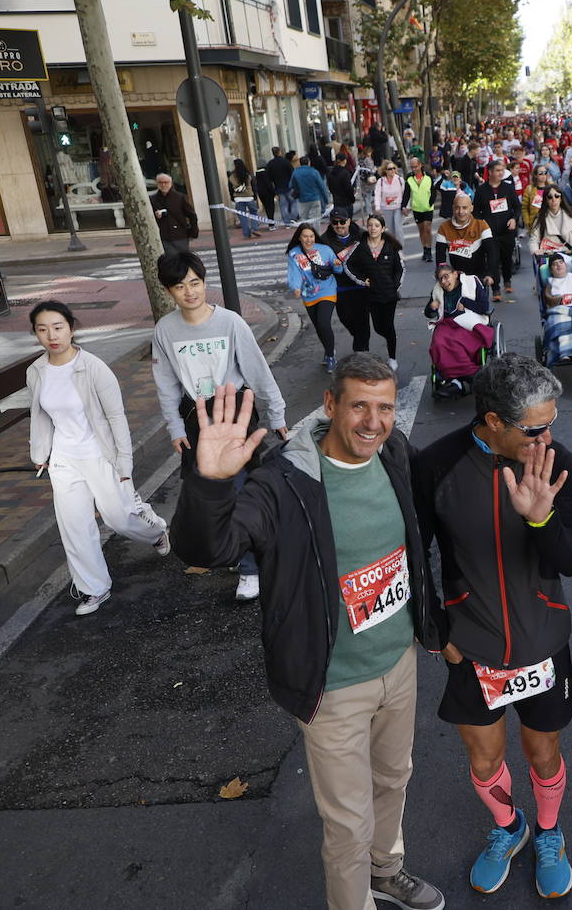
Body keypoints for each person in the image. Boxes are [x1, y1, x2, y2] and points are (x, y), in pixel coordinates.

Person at [171, 356, 445, 910]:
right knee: (347, 823)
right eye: (359, 406)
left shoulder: (393, 453)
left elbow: (425, 531)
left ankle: (386, 871)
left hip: (398, 663)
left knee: (394, 780)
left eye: (385, 406)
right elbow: (207, 550)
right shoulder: (284, 483)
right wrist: (210, 484)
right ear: (330, 405)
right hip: (333, 681)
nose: (374, 421)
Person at [412, 354, 572, 900]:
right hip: (473, 647)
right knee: (485, 759)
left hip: (542, 644)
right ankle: (510, 828)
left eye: (551, 422)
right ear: (492, 421)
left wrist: (540, 518)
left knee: (543, 754)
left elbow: (571, 559)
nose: (548, 436)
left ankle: (550, 833)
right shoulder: (437, 465)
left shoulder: (559, 464)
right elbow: (418, 556)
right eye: (535, 428)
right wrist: (440, 634)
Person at [151, 252, 287, 602]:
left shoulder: (230, 323)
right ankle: (238, 550)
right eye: (180, 286)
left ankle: (250, 568)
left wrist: (277, 415)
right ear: (169, 291)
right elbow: (165, 383)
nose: (190, 292)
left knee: (239, 487)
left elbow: (258, 371)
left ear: (204, 282)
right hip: (196, 417)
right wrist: (174, 428)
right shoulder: (165, 330)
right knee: (211, 490)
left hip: (235, 411)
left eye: (195, 283)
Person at [27, 301, 170, 616]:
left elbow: (117, 418)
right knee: (74, 526)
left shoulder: (93, 368)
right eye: (42, 329)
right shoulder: (36, 371)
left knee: (118, 517)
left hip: (99, 454)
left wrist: (124, 465)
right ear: (36, 333)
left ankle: (155, 531)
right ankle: (94, 588)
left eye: (58, 327)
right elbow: (40, 416)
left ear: (71, 328)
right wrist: (41, 454)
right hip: (64, 459)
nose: (51, 335)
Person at [344, 214, 405, 371]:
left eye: (377, 225)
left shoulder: (391, 247)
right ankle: (389, 339)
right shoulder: (360, 246)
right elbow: (348, 265)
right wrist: (362, 280)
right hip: (371, 296)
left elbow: (400, 268)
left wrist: (395, 286)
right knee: (378, 327)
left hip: (389, 295)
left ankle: (393, 358)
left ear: (383, 228)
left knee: (389, 326)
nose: (373, 228)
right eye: (370, 225)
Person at [427, 264, 495, 398]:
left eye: (446, 277)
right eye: (440, 279)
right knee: (439, 342)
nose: (444, 282)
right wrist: (431, 308)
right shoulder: (437, 290)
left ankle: (462, 378)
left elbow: (484, 307)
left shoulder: (472, 281)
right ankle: (459, 380)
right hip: (447, 324)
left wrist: (466, 302)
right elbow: (428, 314)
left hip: (468, 322)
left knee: (457, 341)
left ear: (455, 274)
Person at [287, 223, 346, 371]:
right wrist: (295, 287)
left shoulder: (325, 250)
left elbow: (337, 269)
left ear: (315, 237)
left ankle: (331, 356)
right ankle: (327, 351)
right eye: (305, 236)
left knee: (324, 323)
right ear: (299, 238)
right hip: (308, 295)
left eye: (311, 236)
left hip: (327, 290)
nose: (309, 240)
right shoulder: (294, 254)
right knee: (319, 327)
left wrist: (338, 265)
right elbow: (294, 273)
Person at [474, 160, 522, 302]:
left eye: (502, 170)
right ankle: (496, 290)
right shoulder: (481, 190)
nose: (501, 173)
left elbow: (517, 208)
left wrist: (514, 219)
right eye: (498, 170)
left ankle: (507, 280)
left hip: (507, 230)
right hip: (489, 232)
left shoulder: (508, 188)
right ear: (490, 172)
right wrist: (481, 223)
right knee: (493, 260)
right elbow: (476, 212)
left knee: (506, 258)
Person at [436, 193, 497, 287]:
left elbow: (491, 252)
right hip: (456, 278)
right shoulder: (444, 228)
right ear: (453, 208)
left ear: (471, 208)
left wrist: (490, 274)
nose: (461, 211)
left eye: (464, 208)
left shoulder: (481, 225)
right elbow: (440, 257)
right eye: (457, 208)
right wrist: (443, 276)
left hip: (479, 275)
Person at [530, 184, 572, 257]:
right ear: (546, 200)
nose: (553, 199)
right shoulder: (540, 218)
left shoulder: (571, 214)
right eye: (549, 197)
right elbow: (534, 239)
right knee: (545, 268)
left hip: (570, 256)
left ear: (561, 199)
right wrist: (535, 250)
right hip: (549, 258)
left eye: (557, 196)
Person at [151, 173, 198, 257]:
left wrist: (194, 231)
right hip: (164, 236)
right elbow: (150, 218)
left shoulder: (180, 197)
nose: (163, 185)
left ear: (171, 183)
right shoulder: (153, 199)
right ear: (157, 184)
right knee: (171, 261)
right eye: (160, 182)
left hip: (180, 235)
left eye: (166, 182)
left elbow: (192, 215)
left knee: (184, 260)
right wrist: (156, 216)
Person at [406, 157, 436, 262]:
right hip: (416, 208)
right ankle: (424, 248)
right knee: (421, 230)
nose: (414, 169)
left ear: (420, 165)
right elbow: (406, 193)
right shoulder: (409, 178)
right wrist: (403, 206)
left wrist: (431, 202)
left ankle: (429, 250)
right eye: (412, 167)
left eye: (415, 166)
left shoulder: (429, 176)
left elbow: (433, 190)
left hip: (428, 207)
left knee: (427, 228)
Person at [373, 161, 408, 248]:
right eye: (390, 169)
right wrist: (377, 207)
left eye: (394, 168)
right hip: (386, 208)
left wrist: (406, 207)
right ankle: (394, 251)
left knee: (398, 229)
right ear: (385, 170)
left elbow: (406, 194)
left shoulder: (399, 180)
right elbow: (377, 194)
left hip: (398, 207)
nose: (392, 170)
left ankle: (400, 251)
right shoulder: (381, 181)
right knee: (391, 231)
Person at [292, 156, 330, 223]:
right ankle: (316, 233)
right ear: (309, 163)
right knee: (316, 220)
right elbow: (322, 187)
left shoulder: (295, 172)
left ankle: (305, 232)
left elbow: (291, 185)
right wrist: (326, 199)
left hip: (302, 199)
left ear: (300, 163)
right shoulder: (314, 172)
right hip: (314, 198)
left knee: (303, 220)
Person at [267, 146, 298, 226]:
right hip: (288, 186)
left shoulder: (270, 164)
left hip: (279, 188)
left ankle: (287, 222)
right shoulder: (286, 162)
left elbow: (269, 178)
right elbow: (292, 173)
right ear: (279, 152)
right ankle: (293, 218)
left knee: (283, 205)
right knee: (294, 202)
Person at [229, 159, 260, 239]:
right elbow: (253, 186)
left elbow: (230, 189)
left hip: (238, 199)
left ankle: (246, 233)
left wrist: (233, 198)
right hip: (249, 197)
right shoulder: (248, 174)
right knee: (254, 213)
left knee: (242, 217)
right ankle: (254, 228)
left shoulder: (232, 176)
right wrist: (255, 196)